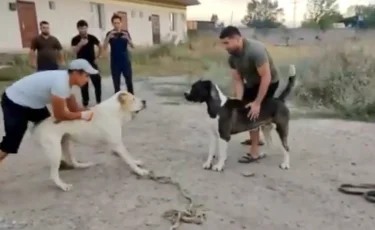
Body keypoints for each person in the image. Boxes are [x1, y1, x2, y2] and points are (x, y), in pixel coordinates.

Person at [0, 59, 98, 168]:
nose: (87, 79)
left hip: (33, 103)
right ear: (75, 73)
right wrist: (82, 116)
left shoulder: (68, 81)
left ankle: (62, 161)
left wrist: (94, 112)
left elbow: (74, 108)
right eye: (86, 75)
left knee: (55, 128)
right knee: (11, 142)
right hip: (15, 101)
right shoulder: (61, 84)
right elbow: (60, 115)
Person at [219, 26, 279, 164]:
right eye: (223, 43)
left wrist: (257, 103)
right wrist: (239, 102)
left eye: (227, 43)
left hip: (269, 82)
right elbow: (238, 80)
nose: (225, 47)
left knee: (254, 112)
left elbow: (266, 77)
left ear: (238, 39)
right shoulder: (232, 58)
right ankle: (257, 138)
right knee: (245, 108)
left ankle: (255, 152)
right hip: (252, 84)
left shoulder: (255, 51)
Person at [71, 20, 102, 107]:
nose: (83, 30)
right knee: (84, 84)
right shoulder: (75, 39)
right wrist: (80, 44)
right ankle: (85, 102)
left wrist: (98, 57)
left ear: (87, 28)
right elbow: (73, 52)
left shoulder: (92, 37)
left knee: (97, 81)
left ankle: (99, 102)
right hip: (80, 64)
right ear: (78, 29)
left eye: (84, 28)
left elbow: (100, 46)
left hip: (92, 63)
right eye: (81, 28)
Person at [103, 14, 134, 94]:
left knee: (129, 82)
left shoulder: (125, 33)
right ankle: (118, 102)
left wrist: (127, 38)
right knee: (116, 84)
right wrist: (108, 37)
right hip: (115, 62)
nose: (116, 25)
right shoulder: (109, 33)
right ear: (112, 24)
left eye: (118, 23)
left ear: (121, 23)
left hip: (125, 61)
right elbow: (104, 47)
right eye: (114, 23)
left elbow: (132, 46)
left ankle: (131, 99)